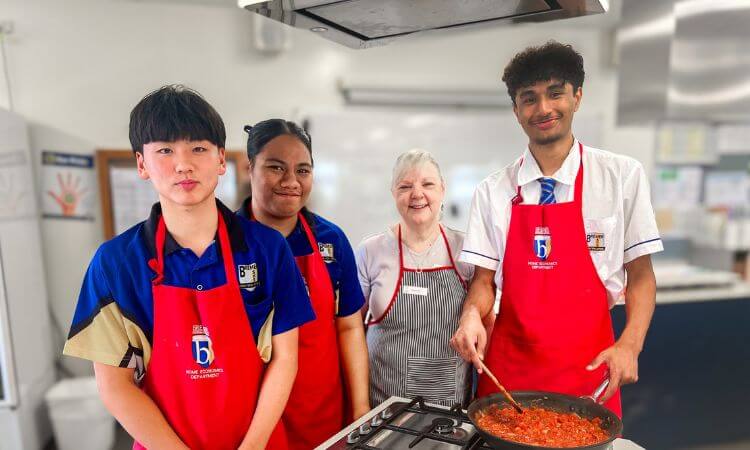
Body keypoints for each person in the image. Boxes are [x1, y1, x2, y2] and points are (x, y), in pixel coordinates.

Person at [63, 85, 314, 450]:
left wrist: (253, 446)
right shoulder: (116, 263)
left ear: (219, 160)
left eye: (198, 148)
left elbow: (286, 358)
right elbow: (114, 386)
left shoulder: (267, 249)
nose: (184, 164)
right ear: (141, 164)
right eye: (165, 150)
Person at [450, 42, 662, 417]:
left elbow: (641, 276)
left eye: (555, 93)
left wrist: (630, 345)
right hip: (508, 382)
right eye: (528, 98)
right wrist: (470, 317)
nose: (543, 108)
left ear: (577, 97)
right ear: (516, 111)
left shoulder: (620, 177)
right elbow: (484, 282)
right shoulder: (492, 191)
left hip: (591, 377)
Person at [238, 119, 369, 450]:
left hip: (320, 414)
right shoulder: (224, 242)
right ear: (249, 167)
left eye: (303, 170)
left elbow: (349, 329)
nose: (290, 181)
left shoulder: (330, 241)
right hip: (248, 418)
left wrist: (360, 409)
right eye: (276, 168)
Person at [356, 149, 475, 407]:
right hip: (383, 403)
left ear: (443, 189)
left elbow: (481, 317)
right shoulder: (371, 250)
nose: (417, 194)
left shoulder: (465, 249)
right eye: (405, 186)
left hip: (447, 406)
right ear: (393, 194)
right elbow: (352, 329)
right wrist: (359, 407)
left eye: (427, 184)